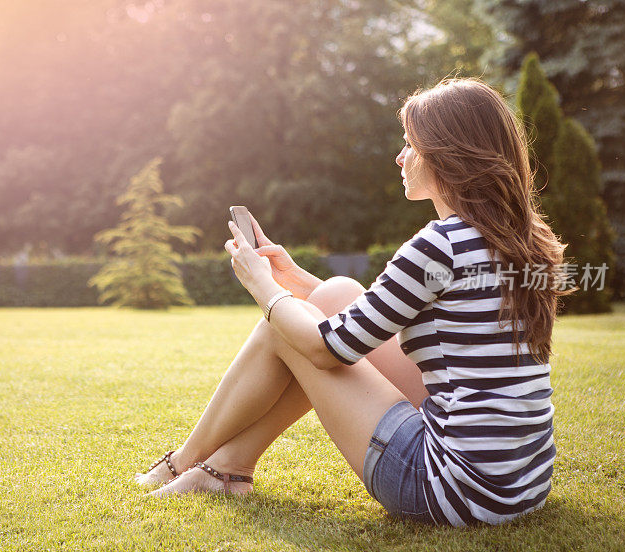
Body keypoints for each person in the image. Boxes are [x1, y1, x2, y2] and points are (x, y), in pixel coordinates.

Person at [134, 77, 576, 527]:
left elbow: (325, 350)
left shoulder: (439, 246)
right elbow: (370, 314)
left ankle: (185, 460)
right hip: (522, 483)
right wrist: (293, 281)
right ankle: (228, 467)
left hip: (447, 489)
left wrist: (263, 287)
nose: (400, 157)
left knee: (281, 326)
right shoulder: (524, 240)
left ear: (446, 153)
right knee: (335, 293)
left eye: (410, 144)